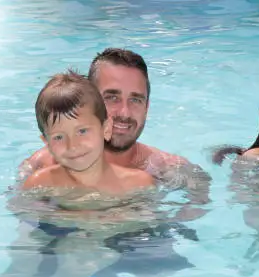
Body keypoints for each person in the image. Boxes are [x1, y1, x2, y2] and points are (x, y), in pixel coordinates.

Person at [19, 48, 210, 205]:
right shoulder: (41, 166)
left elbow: (200, 205)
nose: (124, 113)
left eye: (135, 100)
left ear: (147, 107)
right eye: (112, 97)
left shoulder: (165, 168)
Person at [23, 69, 155, 195]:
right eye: (58, 137)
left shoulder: (138, 184)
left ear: (106, 129)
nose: (73, 145)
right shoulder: (39, 185)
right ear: (47, 143)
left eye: (82, 131)